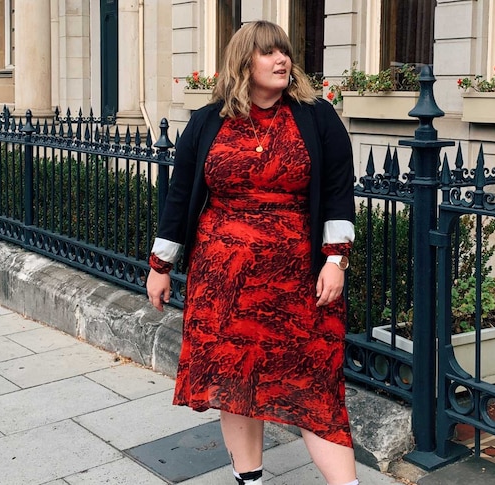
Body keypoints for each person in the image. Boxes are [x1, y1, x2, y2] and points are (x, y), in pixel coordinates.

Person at [146, 20, 358, 485]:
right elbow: (180, 197)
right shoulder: (207, 122)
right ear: (245, 62)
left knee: (315, 384)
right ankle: (250, 480)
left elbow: (340, 192)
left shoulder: (316, 116)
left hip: (297, 280)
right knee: (234, 381)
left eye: (284, 52)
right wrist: (161, 265)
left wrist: (335, 260)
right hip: (223, 282)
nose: (282, 60)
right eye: (268, 53)